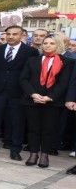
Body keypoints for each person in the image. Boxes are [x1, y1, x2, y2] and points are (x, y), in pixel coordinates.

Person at [0, 25, 39, 160]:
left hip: (18, 92)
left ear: (22, 36)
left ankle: (15, 149)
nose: (11, 36)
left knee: (17, 122)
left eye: (15, 34)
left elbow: (32, 73)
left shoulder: (30, 51)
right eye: (8, 34)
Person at [20, 35, 71, 168]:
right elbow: (23, 79)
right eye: (45, 43)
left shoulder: (67, 62)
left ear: (58, 45)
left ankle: (44, 155)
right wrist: (33, 94)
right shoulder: (32, 60)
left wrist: (50, 97)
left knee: (49, 129)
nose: (47, 45)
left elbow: (64, 83)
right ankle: (33, 153)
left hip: (54, 102)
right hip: (32, 100)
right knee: (33, 129)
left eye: (52, 43)